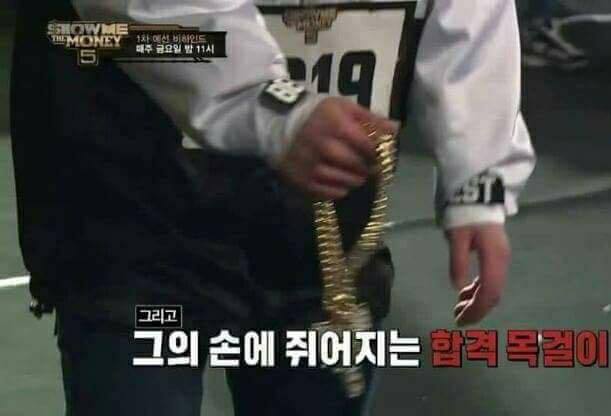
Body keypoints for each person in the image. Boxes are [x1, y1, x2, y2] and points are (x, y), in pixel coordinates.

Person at [10, 0, 535, 415]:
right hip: (133, 210)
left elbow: (471, 16)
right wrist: (272, 106)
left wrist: (479, 178)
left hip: (318, 234)